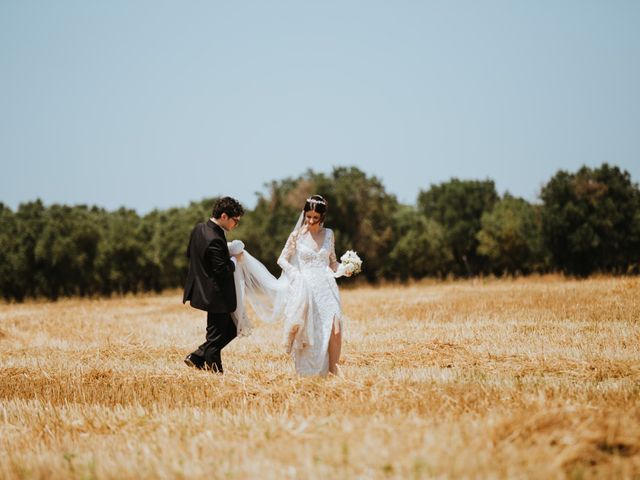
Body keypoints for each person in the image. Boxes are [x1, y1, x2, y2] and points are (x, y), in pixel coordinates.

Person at [277, 195, 350, 376]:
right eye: (308, 216)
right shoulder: (296, 236)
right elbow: (282, 260)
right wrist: (296, 274)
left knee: (335, 327)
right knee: (312, 330)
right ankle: (311, 372)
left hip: (327, 286)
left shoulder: (329, 235)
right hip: (306, 288)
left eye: (315, 218)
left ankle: (334, 370)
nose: (310, 221)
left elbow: (332, 262)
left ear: (322, 217)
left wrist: (345, 268)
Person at [182, 196, 244, 373]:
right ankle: (215, 373)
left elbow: (190, 254)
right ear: (224, 216)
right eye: (235, 221)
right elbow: (223, 270)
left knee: (230, 329)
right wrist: (234, 259)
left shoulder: (199, 229)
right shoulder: (215, 237)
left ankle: (198, 356)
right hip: (217, 294)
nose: (236, 225)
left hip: (204, 290)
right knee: (216, 338)